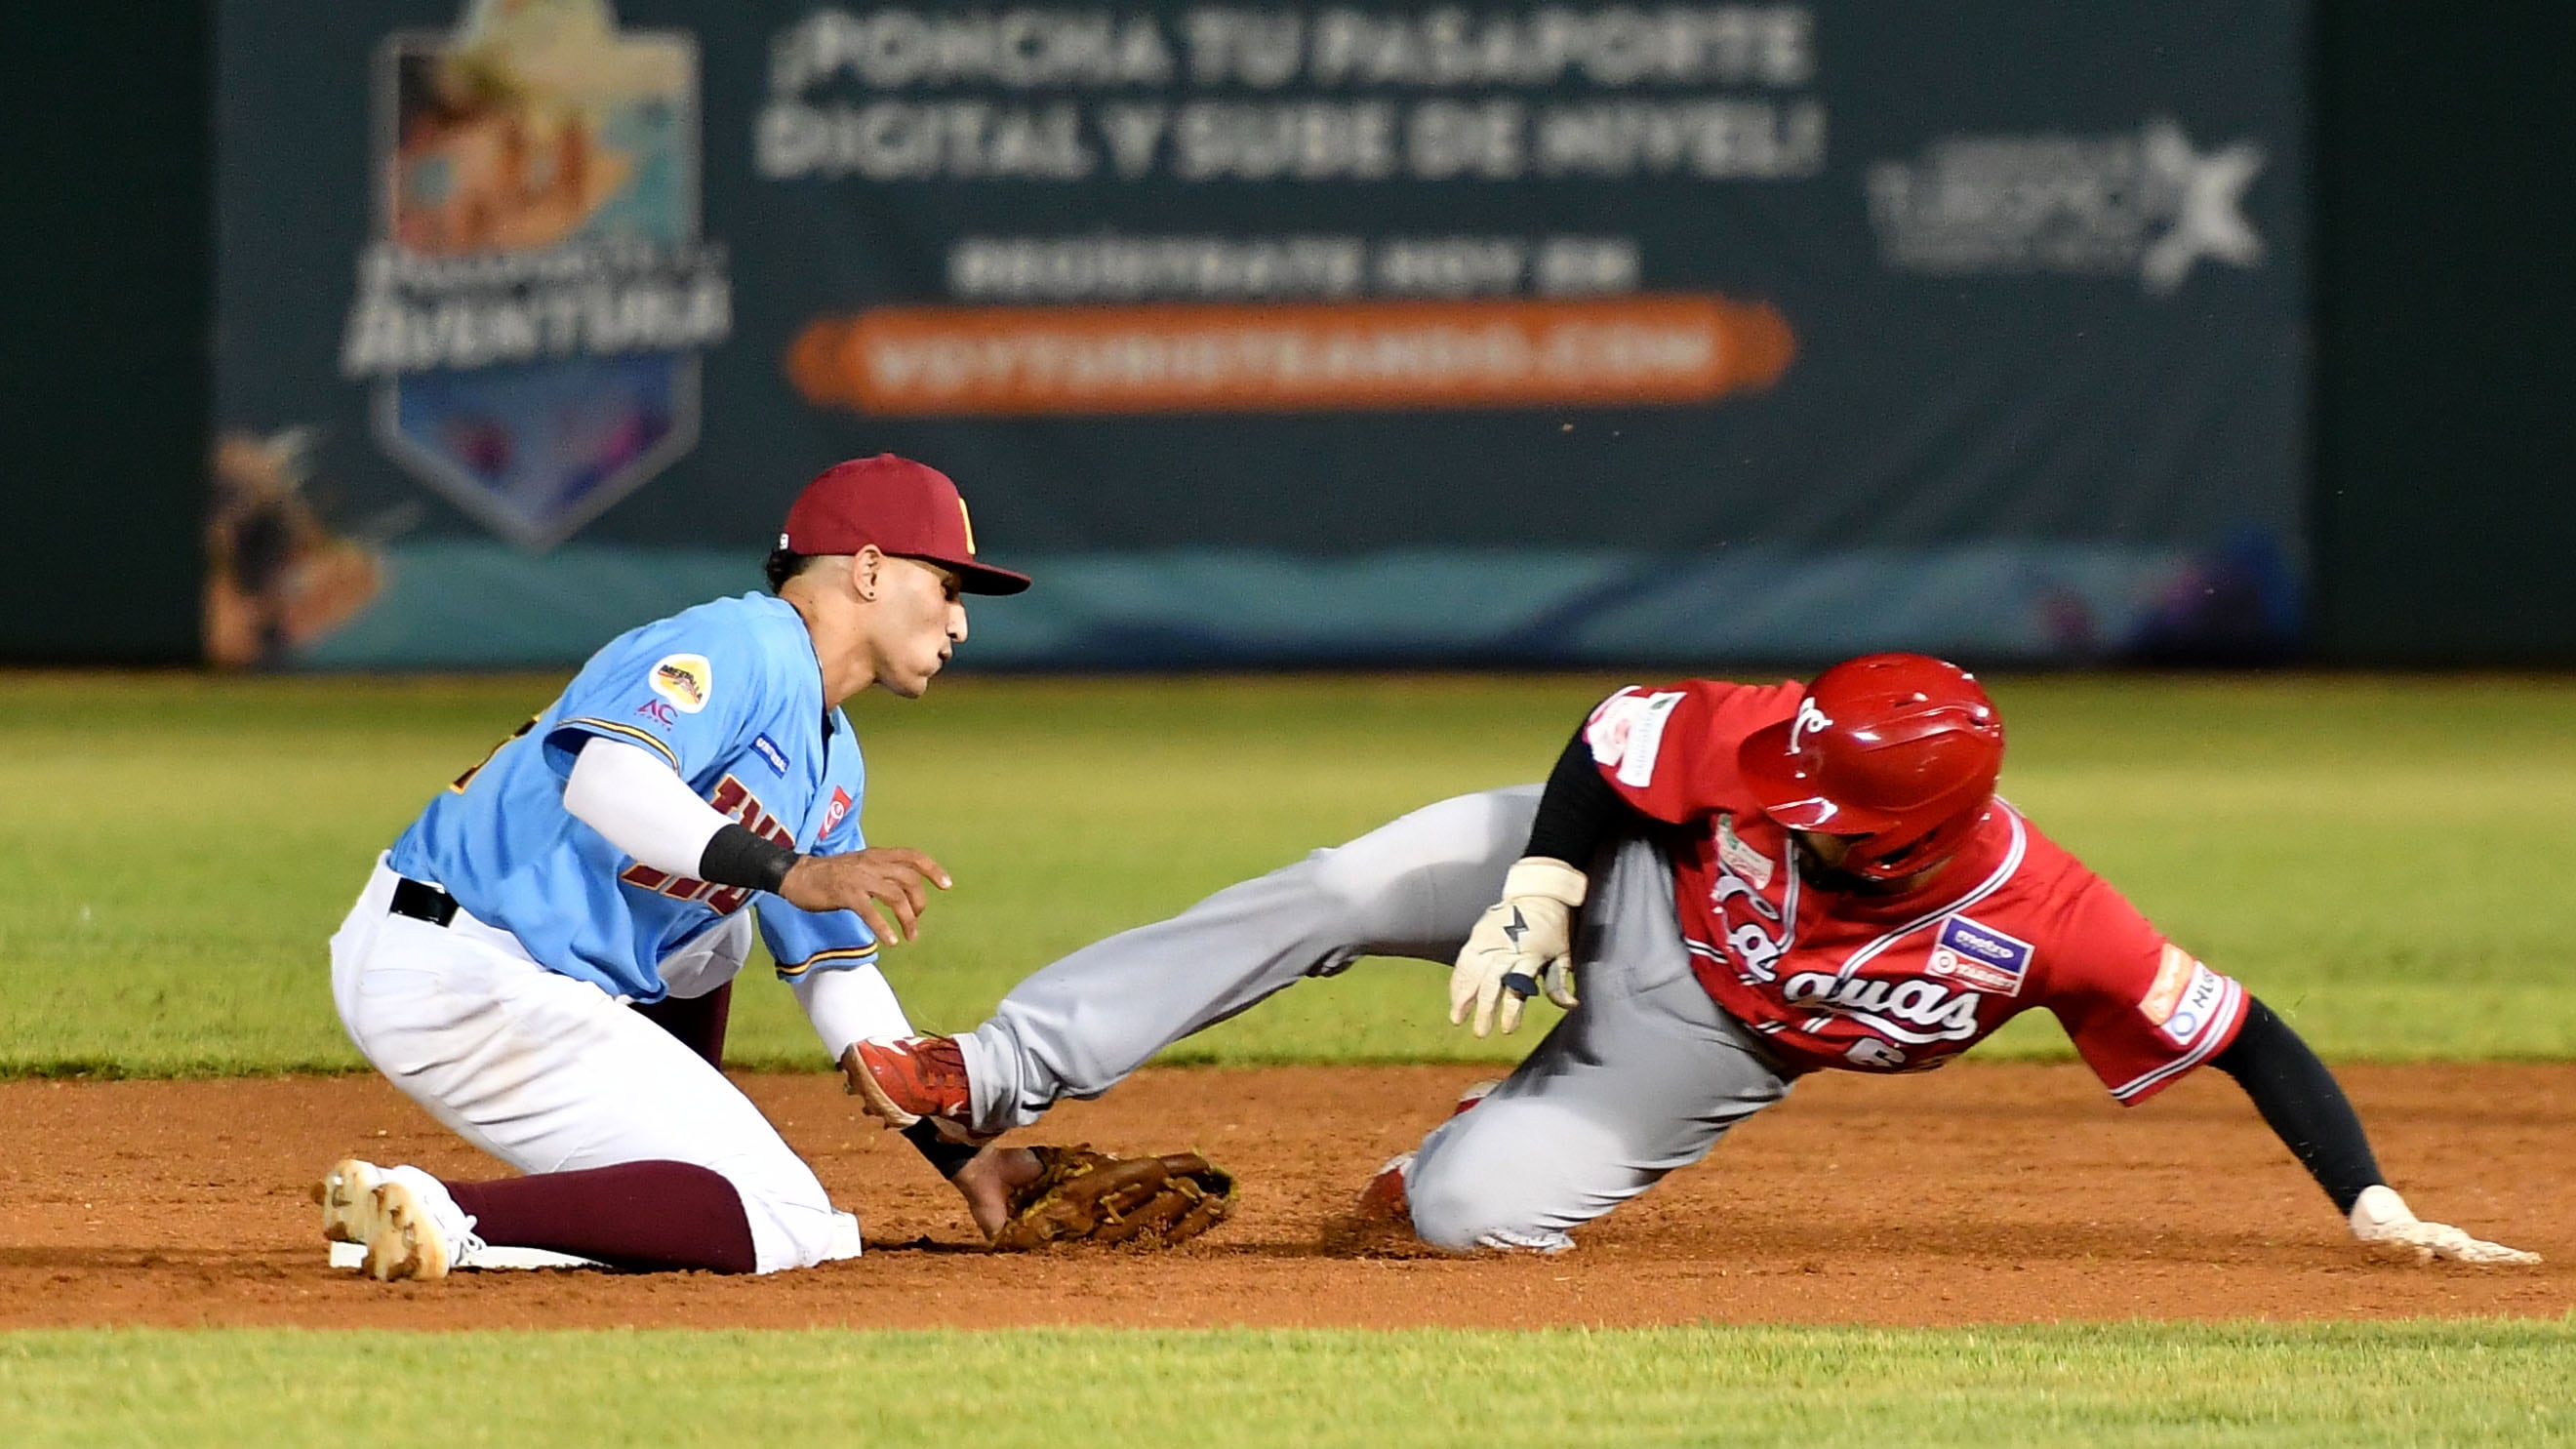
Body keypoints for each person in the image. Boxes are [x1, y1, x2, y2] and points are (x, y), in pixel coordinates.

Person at [846, 654, 2538, 1266]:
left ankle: (1435, 1154)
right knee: (1345, 884)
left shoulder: (2053, 921)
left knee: (1461, 1220)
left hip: (1708, 1048)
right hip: (1623, 882)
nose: (1787, 788)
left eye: (1824, 802)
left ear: (1917, 836)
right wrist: (1544, 888)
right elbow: (1619, 728)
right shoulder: (1771, 741)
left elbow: (2241, 1029)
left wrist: (2370, 1202)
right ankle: (995, 1070)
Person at [319, 454, 1046, 1279]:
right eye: (949, 588)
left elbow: (839, 984)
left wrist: (968, 1161)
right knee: (791, 1222)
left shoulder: (831, 756)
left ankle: (636, 1178)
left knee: (720, 937)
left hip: (501, 975)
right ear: (871, 570)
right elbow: (606, 778)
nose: (960, 625)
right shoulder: (739, 644)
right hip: (459, 961)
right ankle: (444, 1212)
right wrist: (790, 870)